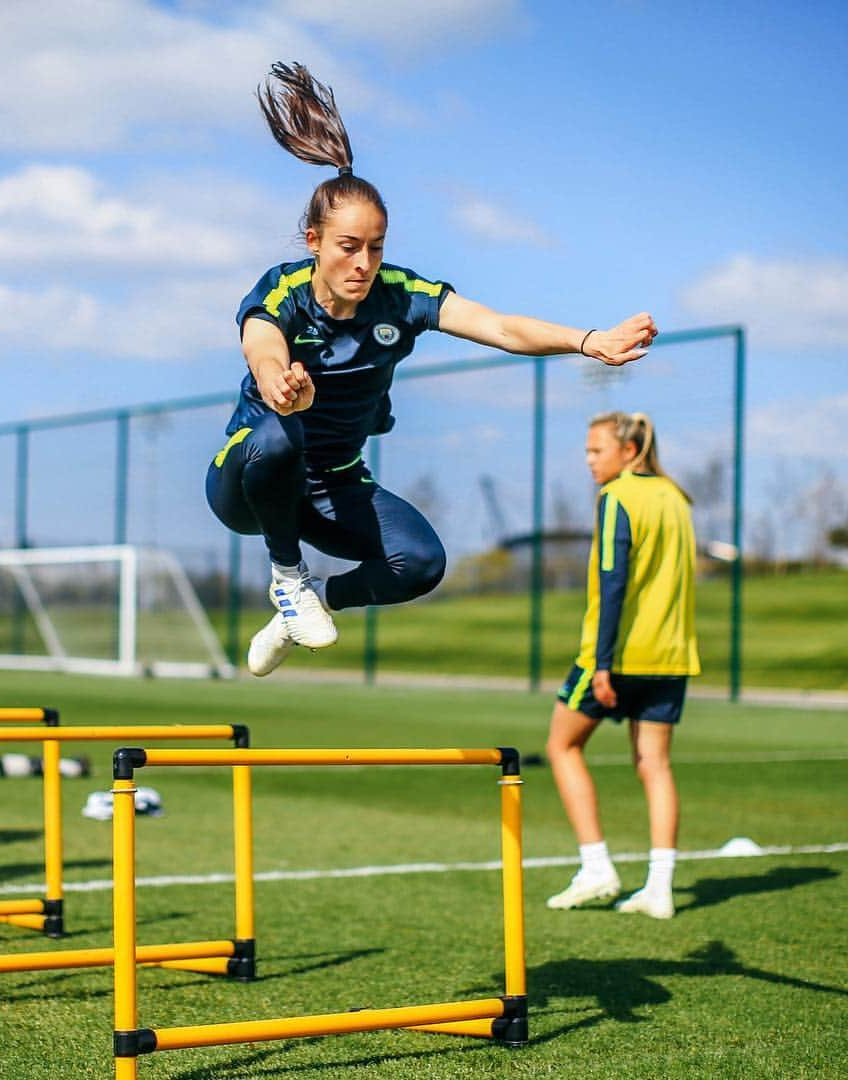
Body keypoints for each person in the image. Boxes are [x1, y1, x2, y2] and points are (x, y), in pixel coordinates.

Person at [207, 62, 657, 677]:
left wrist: (588, 340)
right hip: (251, 481)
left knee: (420, 562)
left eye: (376, 246)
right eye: (347, 247)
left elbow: (499, 327)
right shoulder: (281, 291)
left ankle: (306, 605)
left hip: (334, 487)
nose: (363, 263)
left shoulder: (403, 295)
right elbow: (262, 349)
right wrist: (282, 382)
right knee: (281, 433)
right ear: (313, 240)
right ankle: (288, 578)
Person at [545, 411, 700, 919]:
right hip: (671, 656)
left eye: (596, 451)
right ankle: (660, 888)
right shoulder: (677, 498)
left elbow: (613, 581)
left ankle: (596, 867)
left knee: (562, 745)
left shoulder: (616, 498)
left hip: (614, 656)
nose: (589, 460)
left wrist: (604, 665)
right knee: (654, 764)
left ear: (628, 452)